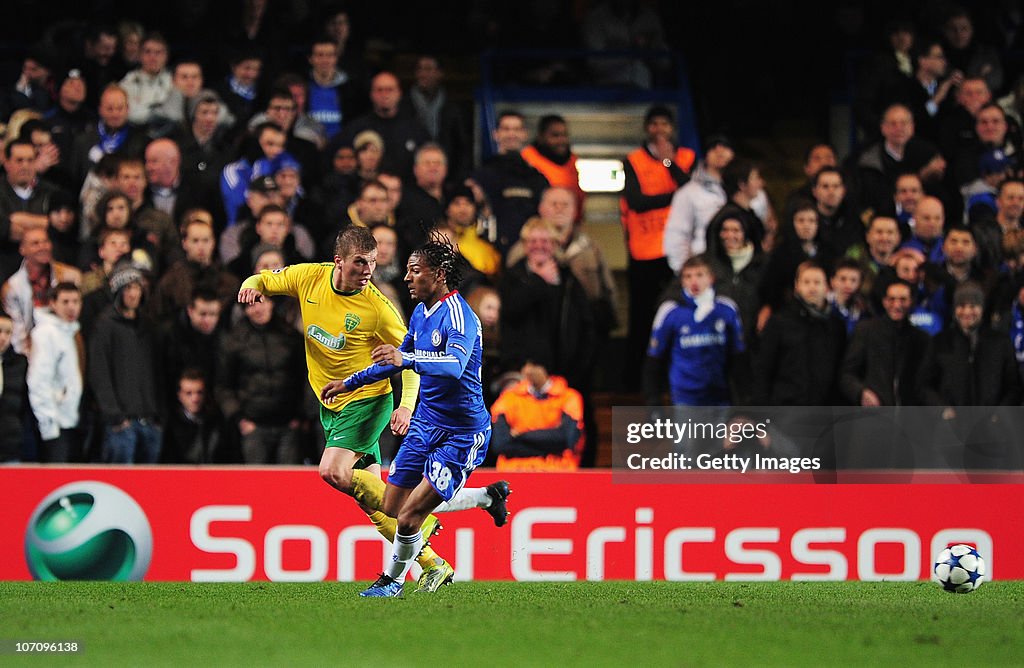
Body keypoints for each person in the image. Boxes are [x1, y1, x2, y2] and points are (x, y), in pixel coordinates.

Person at [237, 226, 508, 594]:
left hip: (378, 406)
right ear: (339, 262)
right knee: (385, 501)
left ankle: (397, 573)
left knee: (333, 471)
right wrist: (253, 283)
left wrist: (405, 405)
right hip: (333, 401)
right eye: (360, 263)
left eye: (373, 263)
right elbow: (267, 279)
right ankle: (446, 544)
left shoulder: (382, 309)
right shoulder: (311, 278)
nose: (369, 270)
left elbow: (413, 362)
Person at [320, 232, 502, 597]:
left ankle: (391, 581)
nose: (407, 278)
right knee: (391, 504)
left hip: (461, 431)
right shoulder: (421, 313)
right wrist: (350, 383)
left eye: (415, 271)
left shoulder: (460, 316)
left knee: (407, 516)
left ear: (438, 274)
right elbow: (392, 361)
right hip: (425, 424)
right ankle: (486, 498)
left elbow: (453, 365)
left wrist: (408, 359)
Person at [621, 105, 696, 379]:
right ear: (646, 128)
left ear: (672, 128)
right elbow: (636, 202)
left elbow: (691, 189)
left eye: (664, 124)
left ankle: (674, 378)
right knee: (642, 320)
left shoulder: (687, 158)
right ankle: (634, 382)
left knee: (679, 317)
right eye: (654, 124)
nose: (659, 129)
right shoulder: (633, 160)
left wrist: (668, 162)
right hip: (644, 254)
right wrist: (675, 197)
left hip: (678, 254)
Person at [643, 254, 744, 407]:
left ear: (711, 278)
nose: (694, 281)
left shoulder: (726, 309)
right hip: (685, 397)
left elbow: (739, 358)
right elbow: (654, 361)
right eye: (688, 276)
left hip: (720, 396)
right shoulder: (670, 311)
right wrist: (653, 402)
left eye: (699, 275)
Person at [88, 264, 163, 463]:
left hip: (150, 420)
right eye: (127, 288)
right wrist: (115, 416)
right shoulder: (104, 326)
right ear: (118, 292)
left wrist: (158, 416)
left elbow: (158, 371)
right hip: (121, 424)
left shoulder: (148, 326)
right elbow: (99, 373)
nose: (132, 294)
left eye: (136, 288)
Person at [753, 261, 847, 405]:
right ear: (797, 286)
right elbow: (764, 368)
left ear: (828, 287)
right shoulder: (779, 322)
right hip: (784, 411)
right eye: (806, 282)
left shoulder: (836, 326)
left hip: (825, 413)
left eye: (817, 282)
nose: (812, 287)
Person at [490, 359, 585, 471]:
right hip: (514, 470)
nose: (527, 370)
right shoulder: (507, 399)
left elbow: (567, 440)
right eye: (525, 365)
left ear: (545, 369)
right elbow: (500, 444)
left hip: (558, 470)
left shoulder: (569, 397)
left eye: (533, 365)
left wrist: (520, 435)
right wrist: (549, 444)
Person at [1, 227, 81, 355]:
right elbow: (18, 333)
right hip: (30, 355)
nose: (42, 247)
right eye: (35, 243)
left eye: (45, 242)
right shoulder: (12, 288)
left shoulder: (71, 276)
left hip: (67, 346)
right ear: (22, 249)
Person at [27, 282, 83, 462]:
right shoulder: (45, 334)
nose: (71, 307)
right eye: (65, 302)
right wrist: (49, 425)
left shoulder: (71, 332)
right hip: (54, 425)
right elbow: (38, 381)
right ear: (52, 303)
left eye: (75, 301)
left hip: (70, 420)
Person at [520, 115, 585, 218]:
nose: (561, 140)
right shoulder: (527, 160)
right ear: (541, 137)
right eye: (555, 135)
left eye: (564, 135)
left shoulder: (572, 162)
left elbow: (579, 200)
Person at [0, 310, 28, 463]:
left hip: (11, 445)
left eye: (8, 332)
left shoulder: (20, 363)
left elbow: (24, 406)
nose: (3, 338)